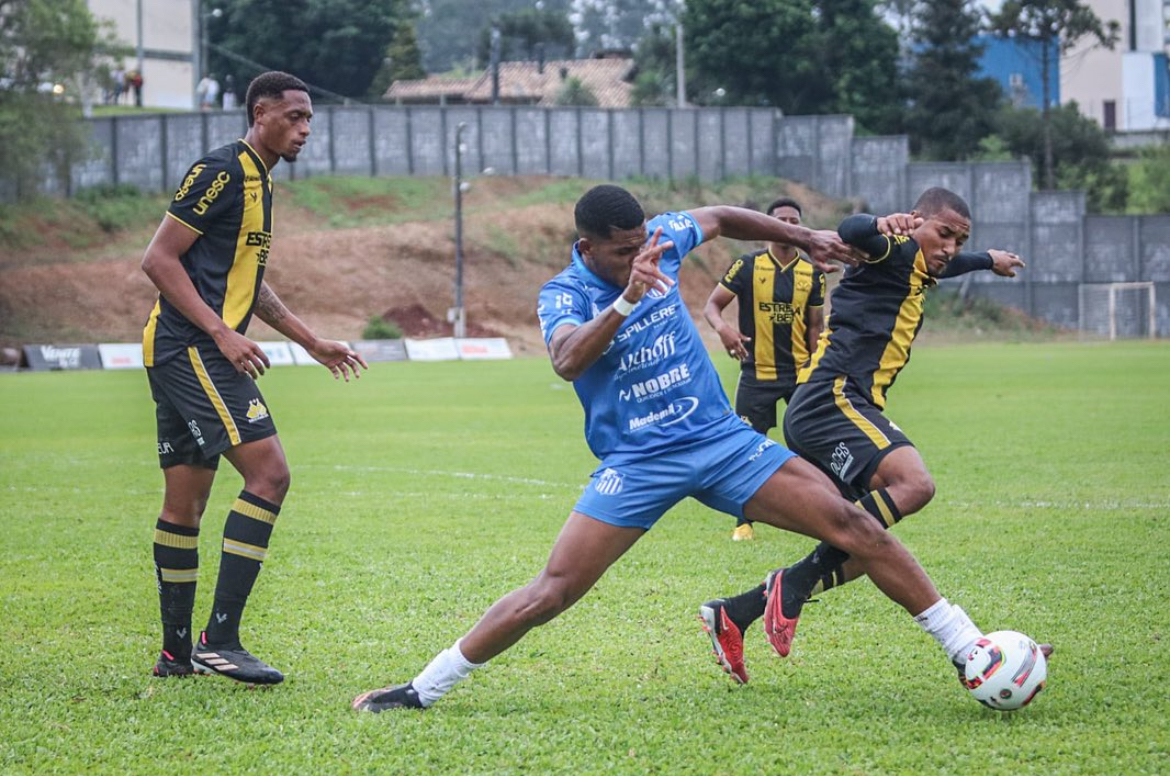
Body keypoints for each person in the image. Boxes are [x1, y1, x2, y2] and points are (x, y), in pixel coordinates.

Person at [352, 184, 1002, 710]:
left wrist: (802, 235)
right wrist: (629, 299)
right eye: (625, 252)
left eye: (645, 247)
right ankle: (422, 688)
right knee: (551, 592)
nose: (644, 257)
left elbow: (718, 216)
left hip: (721, 443)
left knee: (855, 523)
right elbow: (566, 360)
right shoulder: (566, 292)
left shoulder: (661, 239)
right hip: (638, 463)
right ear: (589, 247)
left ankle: (969, 648)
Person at [699, 187, 1042, 682]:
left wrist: (988, 259)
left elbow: (950, 261)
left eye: (959, 239)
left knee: (868, 541)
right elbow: (852, 230)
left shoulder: (923, 261)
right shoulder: (893, 247)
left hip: (844, 404)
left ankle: (739, 611)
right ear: (915, 222)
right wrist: (881, 223)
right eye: (942, 233)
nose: (948, 247)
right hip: (831, 398)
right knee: (915, 484)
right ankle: (791, 584)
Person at [141, 71, 367, 685]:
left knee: (184, 506)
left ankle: (176, 655)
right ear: (260, 112)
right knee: (270, 475)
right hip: (192, 348)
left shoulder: (261, 184)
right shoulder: (222, 170)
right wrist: (220, 332)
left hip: (185, 349)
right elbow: (158, 259)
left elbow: (250, 283)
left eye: (309, 120)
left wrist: (311, 340)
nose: (305, 130)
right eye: (294, 117)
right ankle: (222, 640)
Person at [704, 197, 826, 541]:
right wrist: (724, 329)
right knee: (747, 447)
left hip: (799, 375)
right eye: (782, 220)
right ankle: (744, 520)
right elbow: (712, 306)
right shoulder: (746, 266)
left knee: (810, 442)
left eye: (794, 220)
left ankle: (822, 511)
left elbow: (815, 326)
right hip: (756, 372)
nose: (789, 226)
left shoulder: (812, 273)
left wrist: (816, 365)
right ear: (767, 225)